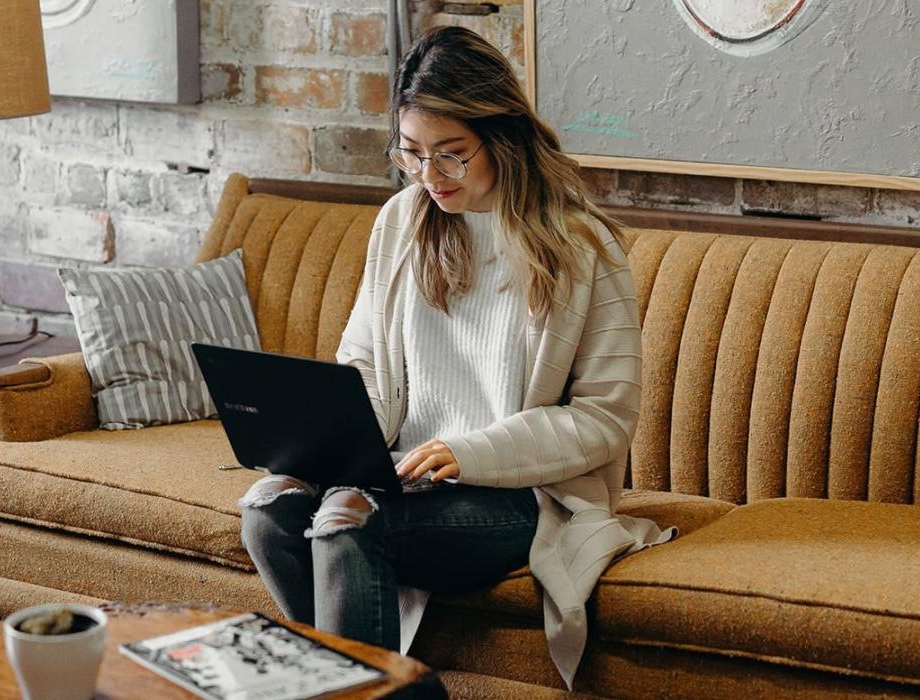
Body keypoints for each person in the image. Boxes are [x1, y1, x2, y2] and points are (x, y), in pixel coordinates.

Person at [236, 25, 670, 688]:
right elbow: (366, 368)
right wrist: (322, 441)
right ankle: (385, 690)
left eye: (452, 155)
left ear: (501, 137)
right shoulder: (401, 220)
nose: (429, 176)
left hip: (521, 493)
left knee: (348, 523)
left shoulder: (581, 247)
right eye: (412, 154)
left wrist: (474, 453)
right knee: (268, 512)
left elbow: (605, 417)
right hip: (400, 477)